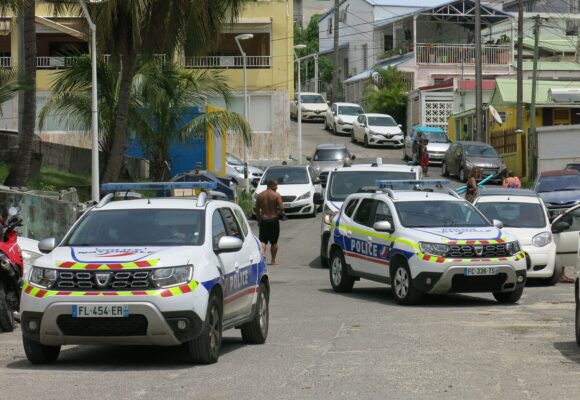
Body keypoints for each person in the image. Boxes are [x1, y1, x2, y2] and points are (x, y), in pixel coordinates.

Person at [255, 179, 285, 265]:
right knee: (274, 242)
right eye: (276, 186)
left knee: (263, 241)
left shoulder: (260, 195)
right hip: (273, 220)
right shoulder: (276, 195)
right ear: (270, 185)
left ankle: (263, 256)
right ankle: (273, 260)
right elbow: (282, 208)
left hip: (263, 220)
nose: (277, 187)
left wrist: (258, 219)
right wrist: (281, 213)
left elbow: (257, 209)